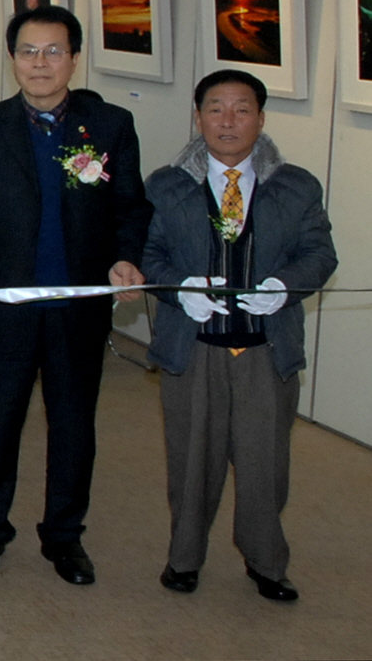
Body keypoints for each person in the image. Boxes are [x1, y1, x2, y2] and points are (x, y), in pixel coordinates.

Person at [0, 5, 150, 585]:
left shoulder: (109, 126)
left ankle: (64, 536)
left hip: (77, 308)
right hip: (6, 308)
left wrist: (126, 257)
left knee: (73, 427)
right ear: (12, 58)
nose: (40, 63)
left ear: (75, 58)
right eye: (28, 51)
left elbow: (130, 207)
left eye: (53, 51)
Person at [143, 69, 335, 603]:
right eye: (216, 109)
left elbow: (320, 254)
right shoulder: (166, 185)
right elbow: (146, 254)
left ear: (261, 118)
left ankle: (266, 561)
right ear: (198, 117)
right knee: (191, 464)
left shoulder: (295, 186)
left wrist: (284, 287)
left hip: (265, 352)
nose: (228, 121)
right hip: (194, 351)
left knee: (264, 465)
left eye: (242, 109)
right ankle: (184, 558)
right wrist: (178, 288)